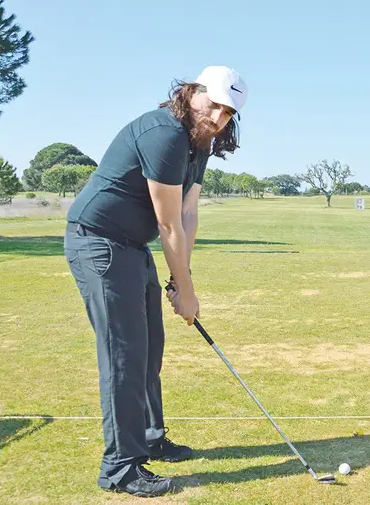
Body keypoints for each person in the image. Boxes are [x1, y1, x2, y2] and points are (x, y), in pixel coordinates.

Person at [63, 65, 248, 497]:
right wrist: (185, 290)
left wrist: (182, 278)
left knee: (149, 352)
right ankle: (120, 468)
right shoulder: (164, 132)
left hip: (132, 247)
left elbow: (188, 213)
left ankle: (148, 437)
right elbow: (167, 224)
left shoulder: (198, 141)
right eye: (215, 105)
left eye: (228, 113)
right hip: (100, 243)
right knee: (124, 355)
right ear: (192, 91)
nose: (219, 117)